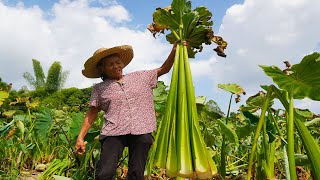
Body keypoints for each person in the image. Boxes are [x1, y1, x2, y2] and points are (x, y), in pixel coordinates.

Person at [75, 41, 181, 180]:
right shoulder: (99, 88)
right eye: (110, 64)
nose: (116, 66)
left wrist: (174, 50)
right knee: (104, 174)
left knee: (136, 174)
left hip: (141, 129)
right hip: (114, 131)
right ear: (102, 69)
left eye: (118, 62)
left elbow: (164, 69)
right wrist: (80, 137)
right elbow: (91, 114)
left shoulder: (140, 77)